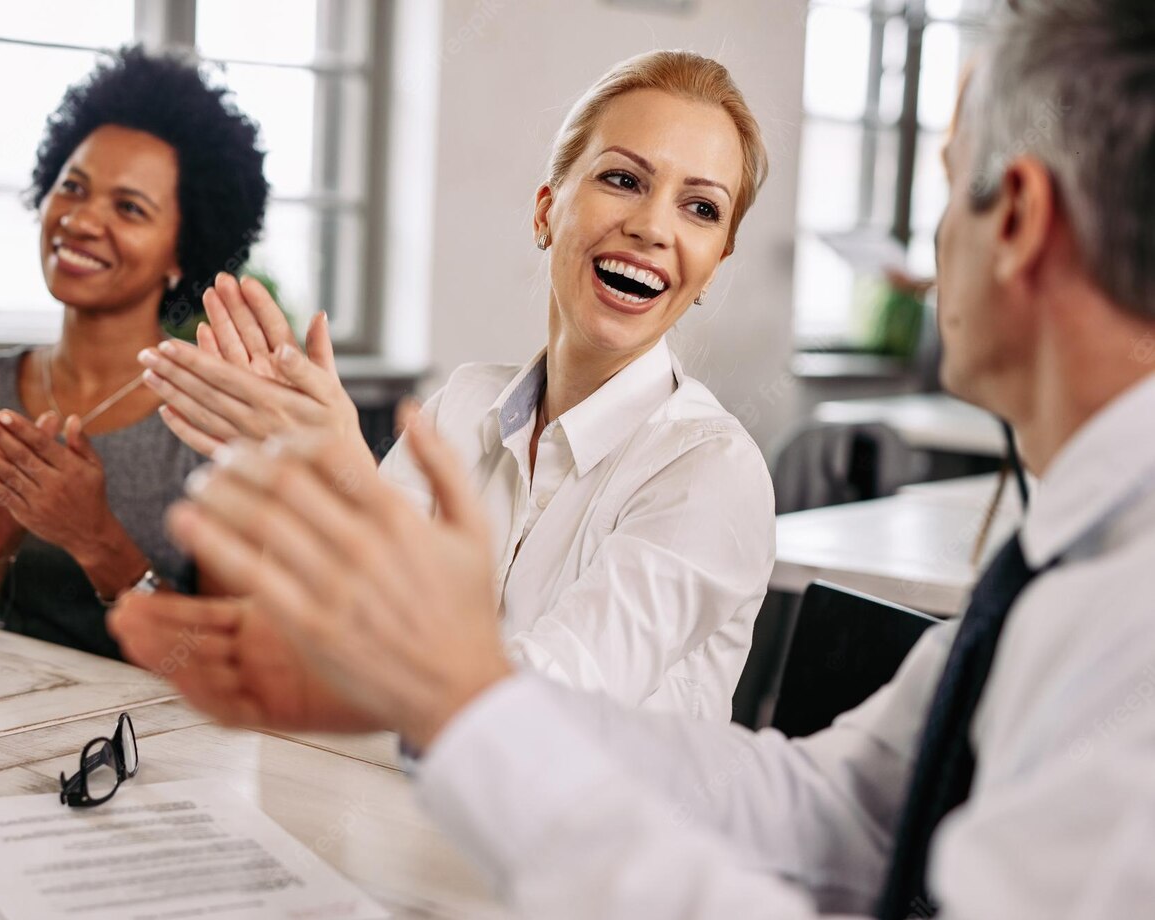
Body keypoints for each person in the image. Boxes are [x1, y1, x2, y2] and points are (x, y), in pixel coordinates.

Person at [112, 1, 1155, 916]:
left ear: (1012, 216)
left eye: (943, 188)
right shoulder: (1058, 562)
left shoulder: (1124, 605)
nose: (925, 251)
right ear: (547, 206)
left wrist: (454, 689)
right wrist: (431, 675)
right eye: (622, 179)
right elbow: (837, 810)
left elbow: (494, 684)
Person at [132, 50, 777, 717]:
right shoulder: (463, 408)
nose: (652, 227)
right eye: (622, 179)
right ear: (546, 212)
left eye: (701, 208)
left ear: (715, 262)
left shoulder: (712, 474)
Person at [0, 47, 269, 658]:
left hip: (154, 751)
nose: (80, 219)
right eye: (72, 187)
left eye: (129, 207)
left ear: (183, 250)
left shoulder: (217, 421)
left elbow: (230, 670)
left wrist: (98, 540)